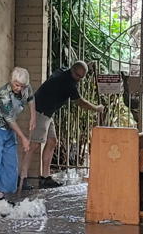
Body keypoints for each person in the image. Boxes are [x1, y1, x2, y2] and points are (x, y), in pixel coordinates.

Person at [20, 61, 104, 189]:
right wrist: (97, 108)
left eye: (82, 77)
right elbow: (81, 102)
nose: (79, 80)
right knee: (34, 145)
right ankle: (22, 178)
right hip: (41, 111)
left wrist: (88, 64)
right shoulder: (68, 83)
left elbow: (78, 68)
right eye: (78, 76)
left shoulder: (64, 70)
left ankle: (46, 178)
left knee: (52, 141)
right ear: (72, 71)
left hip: (48, 113)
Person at [0, 66, 36, 201]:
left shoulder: (26, 88)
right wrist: (23, 138)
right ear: (12, 81)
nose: (19, 89)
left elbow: (31, 99)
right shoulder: (4, 93)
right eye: (17, 85)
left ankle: (1, 194)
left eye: (22, 86)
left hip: (7, 129)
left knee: (10, 161)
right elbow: (10, 119)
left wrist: (33, 117)